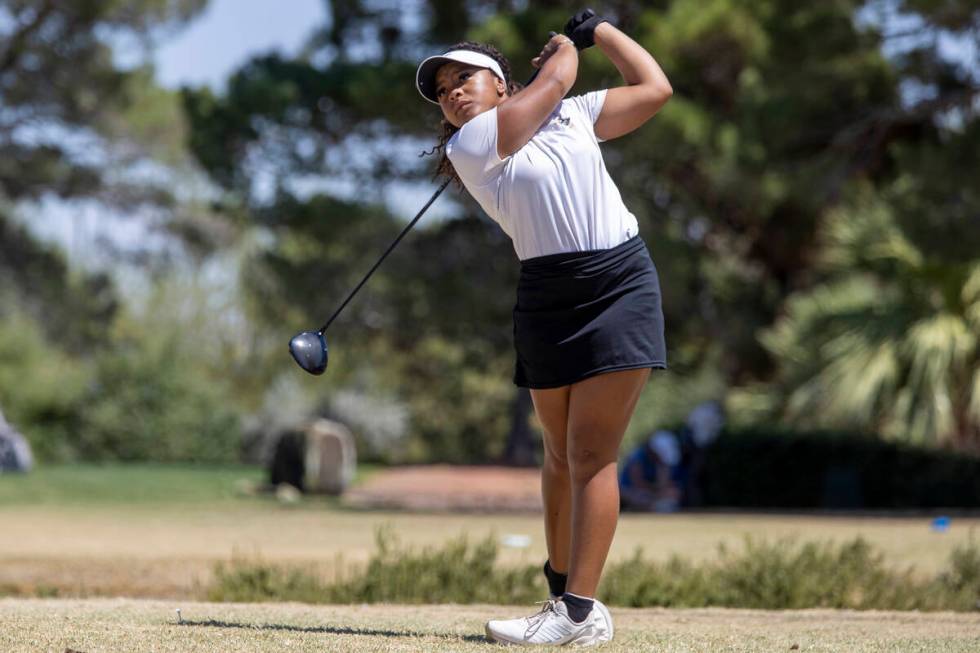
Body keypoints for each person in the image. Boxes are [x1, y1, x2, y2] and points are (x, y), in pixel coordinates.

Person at [415, 8, 673, 647]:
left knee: (590, 454)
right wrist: (568, 42)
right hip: (546, 296)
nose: (451, 92)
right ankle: (561, 586)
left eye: (463, 78)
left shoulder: (575, 115)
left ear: (500, 82)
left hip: (619, 282)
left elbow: (655, 88)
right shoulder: (471, 143)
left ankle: (578, 612)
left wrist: (603, 30)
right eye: (442, 88)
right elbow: (556, 78)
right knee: (558, 456)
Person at [619, 430, 683, 512]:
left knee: (674, 492)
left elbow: (663, 484)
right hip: (632, 490)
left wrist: (661, 491)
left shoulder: (661, 462)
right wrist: (658, 493)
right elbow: (638, 483)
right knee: (640, 497)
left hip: (651, 493)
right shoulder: (638, 456)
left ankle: (656, 506)